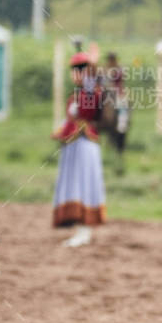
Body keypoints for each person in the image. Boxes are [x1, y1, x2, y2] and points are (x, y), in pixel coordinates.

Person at [52, 52, 107, 247]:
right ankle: (80, 229)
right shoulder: (78, 94)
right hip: (74, 145)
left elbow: (89, 108)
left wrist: (91, 68)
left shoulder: (91, 92)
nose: (74, 74)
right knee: (75, 185)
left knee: (83, 185)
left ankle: (84, 230)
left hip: (85, 145)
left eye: (79, 70)